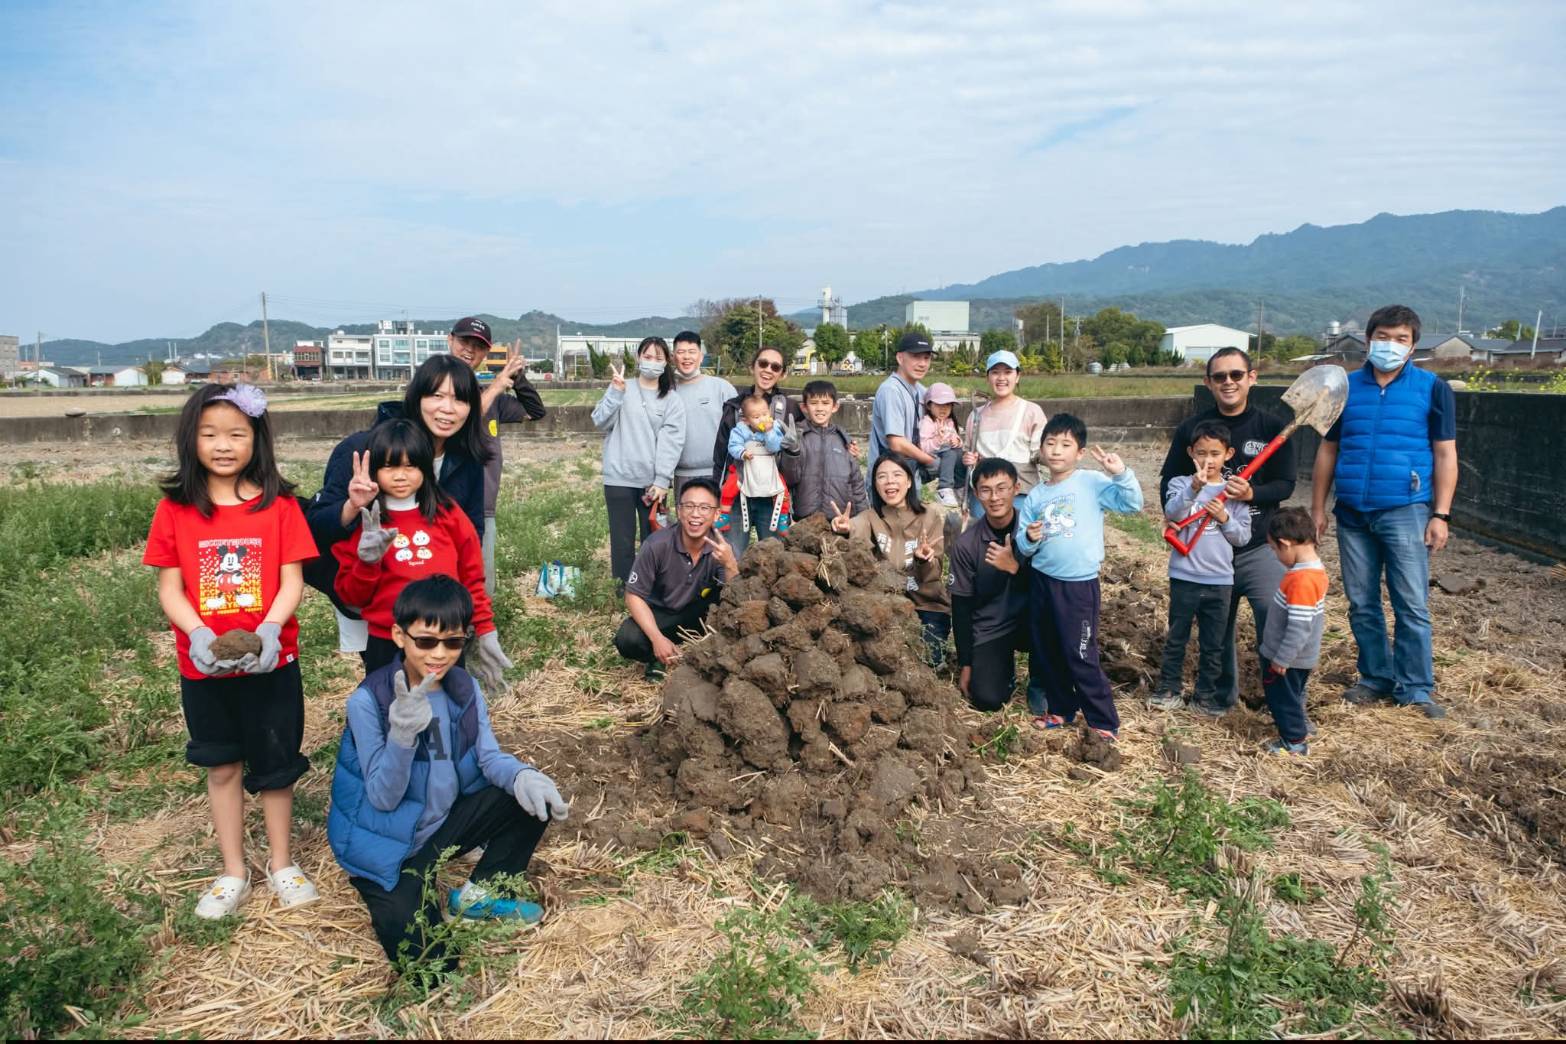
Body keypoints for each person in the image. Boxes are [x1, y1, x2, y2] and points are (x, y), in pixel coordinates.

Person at [327, 575, 569, 971]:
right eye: (426, 641)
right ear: (399, 635)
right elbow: (382, 798)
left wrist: (522, 775)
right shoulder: (370, 701)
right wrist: (402, 735)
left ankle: (480, 898)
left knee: (525, 800)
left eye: (453, 642)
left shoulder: (463, 687)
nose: (439, 654)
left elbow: (488, 759)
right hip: (391, 846)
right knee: (434, 969)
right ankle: (401, 894)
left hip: (441, 826)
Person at [143, 383, 320, 919]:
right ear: (189, 440)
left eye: (236, 434)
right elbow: (169, 588)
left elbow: (292, 580)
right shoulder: (175, 510)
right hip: (204, 668)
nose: (223, 445)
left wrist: (270, 629)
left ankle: (282, 863)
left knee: (275, 765)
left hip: (272, 661)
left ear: (256, 439)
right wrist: (198, 634)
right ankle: (233, 870)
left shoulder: (280, 506)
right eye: (210, 434)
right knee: (221, 766)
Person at [1310, 304, 1457, 719]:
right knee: (1361, 601)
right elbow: (1328, 449)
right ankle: (1376, 676)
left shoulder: (1431, 389)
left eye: (1401, 339)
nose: (1390, 345)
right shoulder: (1345, 388)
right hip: (1352, 511)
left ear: (1412, 346)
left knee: (1411, 602)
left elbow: (1445, 454)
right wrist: (1318, 507)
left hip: (1405, 509)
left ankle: (1415, 688)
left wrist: (1440, 514)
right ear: (1369, 339)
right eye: (1383, 337)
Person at [306, 356, 491, 655]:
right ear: (416, 397)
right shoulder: (363, 449)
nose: (447, 409)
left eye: (459, 399)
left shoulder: (466, 456)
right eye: (437, 396)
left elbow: (472, 530)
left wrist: (462, 604)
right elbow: (316, 526)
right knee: (383, 671)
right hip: (369, 589)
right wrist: (352, 507)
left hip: (434, 603)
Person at [1157, 346, 1295, 714]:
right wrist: (1172, 516)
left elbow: (1285, 484)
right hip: (1201, 553)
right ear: (1208, 383)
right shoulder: (1193, 429)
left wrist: (1253, 492)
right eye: (1220, 376)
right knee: (1218, 632)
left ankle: (1282, 702)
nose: (1228, 382)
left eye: (1236, 374)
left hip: (1255, 545)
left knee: (1272, 615)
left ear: (1252, 378)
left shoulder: (1271, 428)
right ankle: (1218, 698)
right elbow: (1169, 478)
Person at [331, 419, 511, 690]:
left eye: (410, 466)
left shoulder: (447, 514)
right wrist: (367, 563)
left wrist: (485, 628)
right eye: (389, 466)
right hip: (388, 643)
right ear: (374, 470)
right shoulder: (366, 522)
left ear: (425, 468)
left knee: (445, 717)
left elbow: (472, 577)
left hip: (444, 642)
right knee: (390, 719)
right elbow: (351, 596)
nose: (400, 475)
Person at [1014, 414, 1144, 736]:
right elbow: (1022, 544)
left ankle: (1102, 721)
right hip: (1043, 582)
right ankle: (1061, 710)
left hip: (1078, 586)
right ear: (1041, 449)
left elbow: (1132, 505)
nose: (1056, 450)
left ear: (1080, 452)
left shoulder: (1090, 482)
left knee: (1081, 652)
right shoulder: (1036, 495)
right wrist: (1029, 538)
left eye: (1065, 444)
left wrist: (1120, 474)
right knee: (1048, 650)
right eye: (1050, 443)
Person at [1151, 422, 1252, 715]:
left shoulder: (1234, 491)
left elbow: (1242, 537)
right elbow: (1173, 513)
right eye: (1201, 453)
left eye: (1215, 453)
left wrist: (1223, 517)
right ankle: (1168, 688)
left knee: (1213, 643)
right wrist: (1195, 488)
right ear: (1190, 453)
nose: (1208, 461)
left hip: (1220, 579)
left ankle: (1205, 696)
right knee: (1177, 637)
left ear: (1228, 454)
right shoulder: (1180, 484)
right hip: (1184, 576)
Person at [445, 316, 547, 595]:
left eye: (478, 346)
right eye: (464, 341)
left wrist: (517, 378)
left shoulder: (493, 398)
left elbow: (536, 411)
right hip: (442, 507)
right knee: (443, 583)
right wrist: (498, 383)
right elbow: (458, 422)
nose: (469, 350)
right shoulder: (434, 388)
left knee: (480, 585)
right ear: (449, 340)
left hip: (482, 506)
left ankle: (475, 637)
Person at [613, 478, 738, 680]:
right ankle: (657, 656)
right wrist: (656, 638)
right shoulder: (657, 545)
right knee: (628, 638)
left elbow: (735, 596)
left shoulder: (721, 547)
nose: (695, 514)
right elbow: (633, 596)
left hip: (699, 613)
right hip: (662, 613)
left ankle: (708, 654)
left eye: (704, 507)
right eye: (689, 506)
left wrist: (730, 563)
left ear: (716, 514)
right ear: (679, 511)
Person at [830, 455, 950, 666]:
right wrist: (845, 528)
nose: (890, 482)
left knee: (928, 662)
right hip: (884, 606)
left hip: (924, 604)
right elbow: (856, 526)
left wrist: (924, 560)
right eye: (882, 477)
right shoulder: (870, 516)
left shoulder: (929, 516)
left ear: (909, 481)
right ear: (875, 484)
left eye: (897, 475)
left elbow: (934, 574)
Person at [950, 459, 1047, 714]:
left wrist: (1014, 568)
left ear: (1016, 489)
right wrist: (966, 664)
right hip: (992, 625)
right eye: (986, 490)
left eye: (1002, 488)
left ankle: (1041, 680)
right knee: (987, 698)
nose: (994, 497)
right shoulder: (966, 544)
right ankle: (1003, 668)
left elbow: (1050, 585)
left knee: (1056, 615)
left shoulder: (1035, 530)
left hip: (1032, 617)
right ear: (975, 494)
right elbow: (960, 606)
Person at [591, 336, 687, 587]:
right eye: (647, 356)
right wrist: (615, 393)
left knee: (653, 538)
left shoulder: (671, 400)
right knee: (621, 540)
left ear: (667, 362)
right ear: (638, 358)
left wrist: (662, 479)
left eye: (658, 357)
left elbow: (672, 442)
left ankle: (650, 587)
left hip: (651, 484)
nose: (652, 362)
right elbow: (600, 421)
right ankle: (623, 590)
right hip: (618, 478)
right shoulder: (623, 387)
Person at [710, 345, 807, 556]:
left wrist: (846, 444)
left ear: (782, 373)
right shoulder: (734, 407)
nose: (768, 370)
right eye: (762, 363)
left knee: (774, 556)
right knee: (731, 554)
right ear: (752, 367)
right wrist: (715, 494)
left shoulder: (790, 408)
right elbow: (721, 456)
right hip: (738, 492)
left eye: (775, 366)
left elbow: (804, 448)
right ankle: (727, 588)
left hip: (772, 495)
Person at [1257, 508, 1328, 756]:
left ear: (1286, 544)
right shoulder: (1314, 571)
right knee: (1293, 696)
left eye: (1275, 550)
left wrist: (1282, 658)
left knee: (1282, 699)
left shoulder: (1302, 581)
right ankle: (1299, 729)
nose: (1276, 556)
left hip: (1288, 659)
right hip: (1296, 657)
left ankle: (1294, 741)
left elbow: (1299, 626)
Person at [962, 350, 1048, 508]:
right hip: (985, 498)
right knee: (983, 533)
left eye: (1008, 372)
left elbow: (1040, 453)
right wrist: (968, 458)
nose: (1001, 378)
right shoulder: (975, 415)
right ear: (988, 377)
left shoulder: (1031, 411)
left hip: (1022, 494)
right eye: (995, 372)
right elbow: (968, 453)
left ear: (1017, 376)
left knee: (1021, 533)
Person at [783, 379, 867, 521]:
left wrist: (863, 518)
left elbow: (856, 484)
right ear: (804, 407)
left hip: (839, 518)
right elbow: (789, 479)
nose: (820, 408)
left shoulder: (844, 440)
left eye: (825, 403)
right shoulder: (797, 436)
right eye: (814, 403)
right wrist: (791, 452)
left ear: (835, 407)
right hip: (804, 519)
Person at [670, 330, 738, 491]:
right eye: (681, 352)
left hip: (719, 472)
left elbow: (739, 427)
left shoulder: (721, 387)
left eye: (692, 352)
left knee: (718, 515)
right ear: (673, 357)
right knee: (687, 516)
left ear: (700, 356)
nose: (686, 357)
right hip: (682, 474)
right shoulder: (667, 391)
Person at [721, 393, 793, 545]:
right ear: (746, 420)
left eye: (765, 414)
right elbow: (732, 446)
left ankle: (782, 517)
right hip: (745, 468)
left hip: (768, 468)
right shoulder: (740, 430)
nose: (762, 419)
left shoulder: (775, 428)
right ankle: (724, 515)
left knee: (782, 489)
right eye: (756, 417)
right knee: (730, 486)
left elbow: (774, 447)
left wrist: (768, 432)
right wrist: (742, 452)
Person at [868, 331, 936, 487]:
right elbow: (896, 443)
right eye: (916, 357)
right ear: (900, 358)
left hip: (909, 476)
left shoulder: (920, 390)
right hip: (888, 479)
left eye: (926, 358)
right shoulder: (891, 390)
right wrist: (931, 461)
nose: (922, 364)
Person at [918, 382, 967, 508]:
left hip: (947, 454)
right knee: (950, 453)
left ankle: (959, 487)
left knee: (960, 454)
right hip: (933, 456)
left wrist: (957, 442)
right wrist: (938, 439)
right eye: (939, 404)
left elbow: (956, 437)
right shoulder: (927, 422)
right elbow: (923, 447)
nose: (944, 408)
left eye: (948, 405)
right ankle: (944, 488)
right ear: (929, 405)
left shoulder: (949, 422)